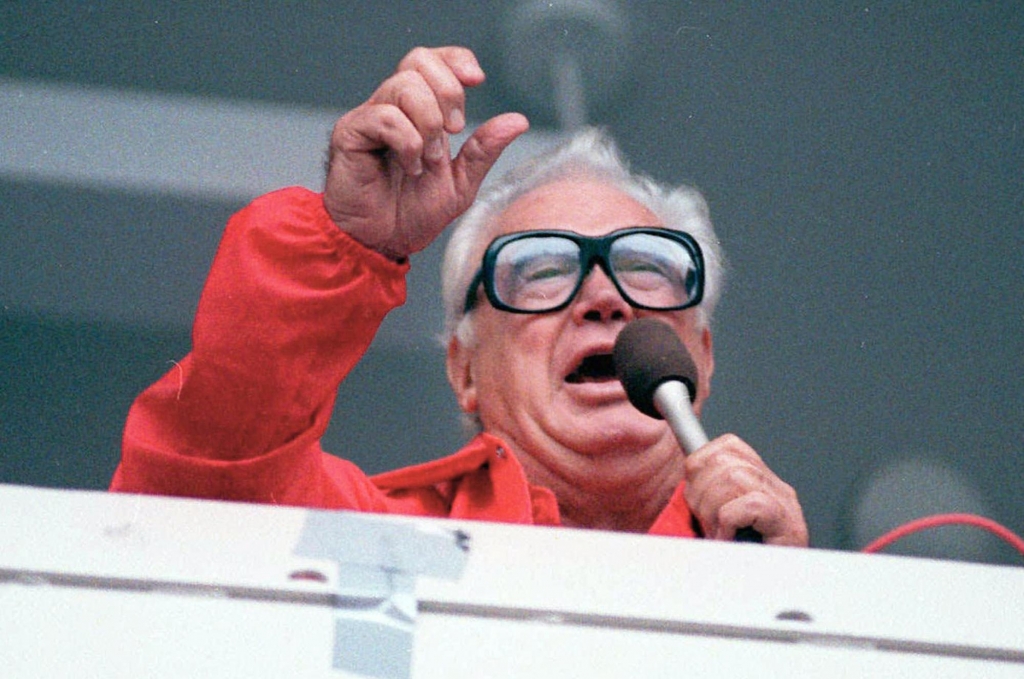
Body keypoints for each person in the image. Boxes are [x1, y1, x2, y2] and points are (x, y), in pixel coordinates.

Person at [112, 46, 807, 546]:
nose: (604, 297)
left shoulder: (767, 560)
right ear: (463, 369)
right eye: (540, 268)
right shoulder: (366, 540)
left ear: (702, 357)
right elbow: (203, 482)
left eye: (646, 266)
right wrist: (344, 241)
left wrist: (787, 614)